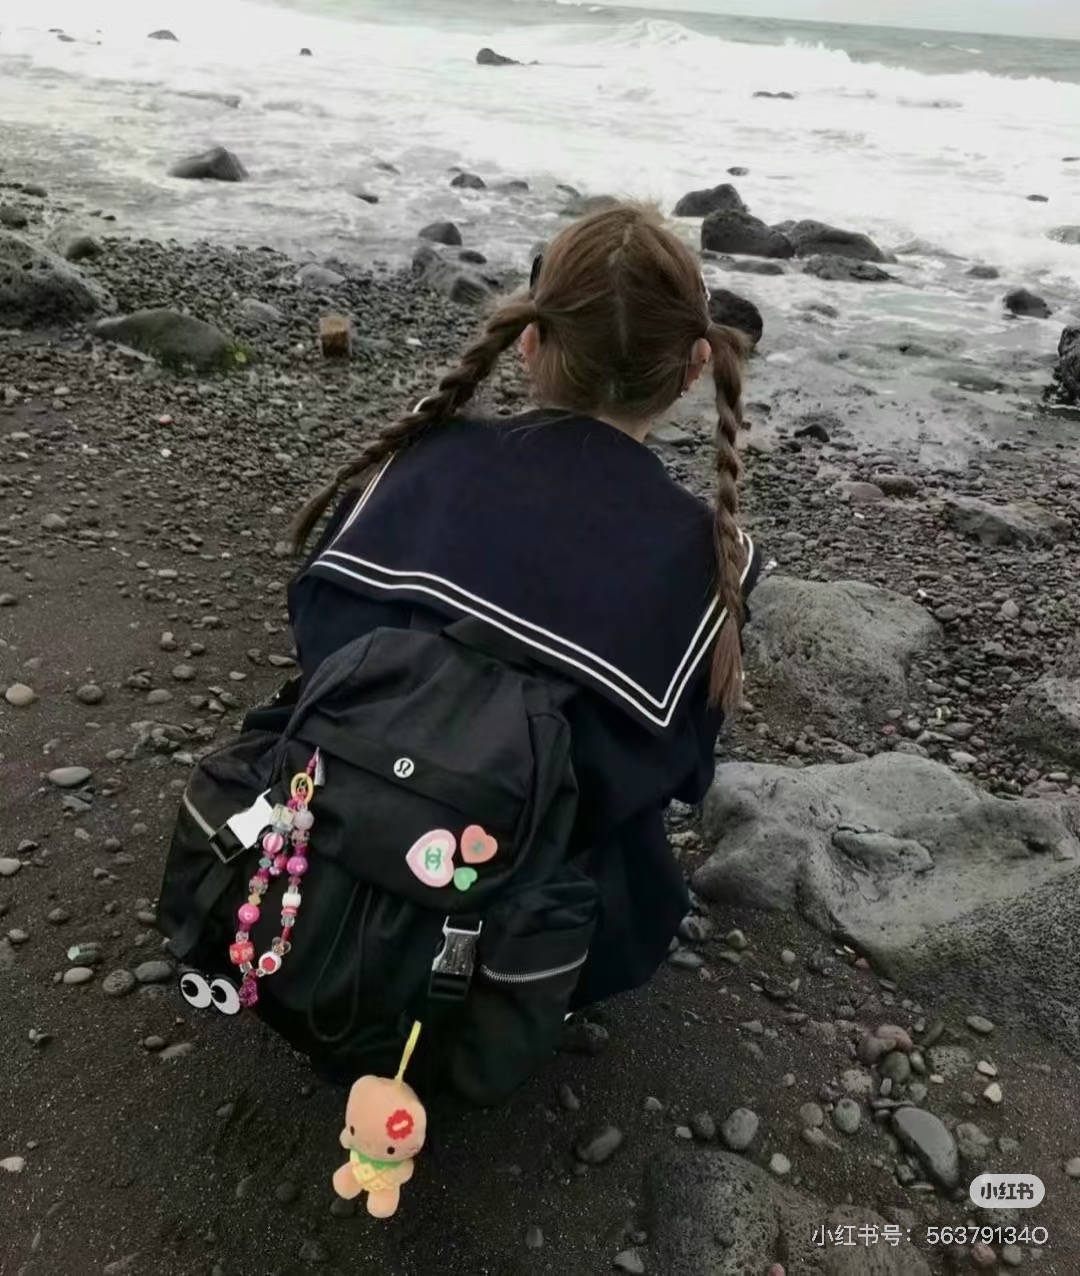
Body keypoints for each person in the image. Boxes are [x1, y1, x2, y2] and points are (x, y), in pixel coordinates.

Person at [262, 202, 762, 1012]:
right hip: (526, 933)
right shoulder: (706, 555)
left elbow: (317, 629)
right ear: (696, 365)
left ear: (528, 342)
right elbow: (678, 774)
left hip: (323, 838)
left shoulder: (417, 461)